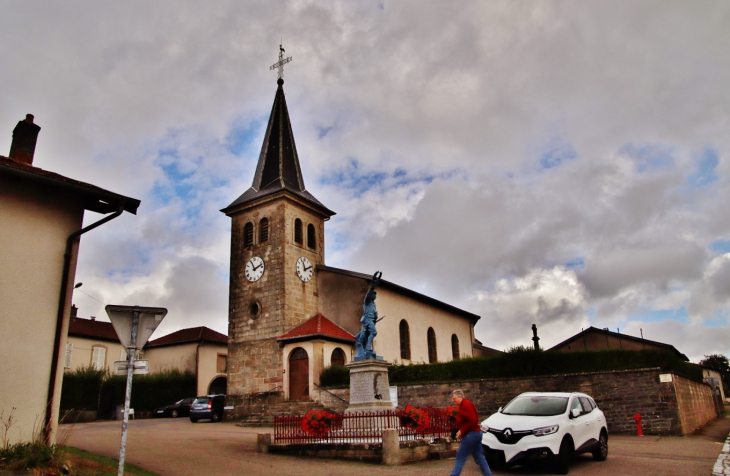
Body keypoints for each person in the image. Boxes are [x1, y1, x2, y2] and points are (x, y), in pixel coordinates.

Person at [450, 389, 492, 476]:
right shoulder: (465, 405)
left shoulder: (465, 405)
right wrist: (457, 428)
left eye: (454, 398)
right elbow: (466, 419)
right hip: (477, 434)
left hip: (470, 435)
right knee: (480, 457)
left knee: (460, 457)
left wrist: (462, 430)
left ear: (459, 397)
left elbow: (473, 421)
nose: (453, 401)